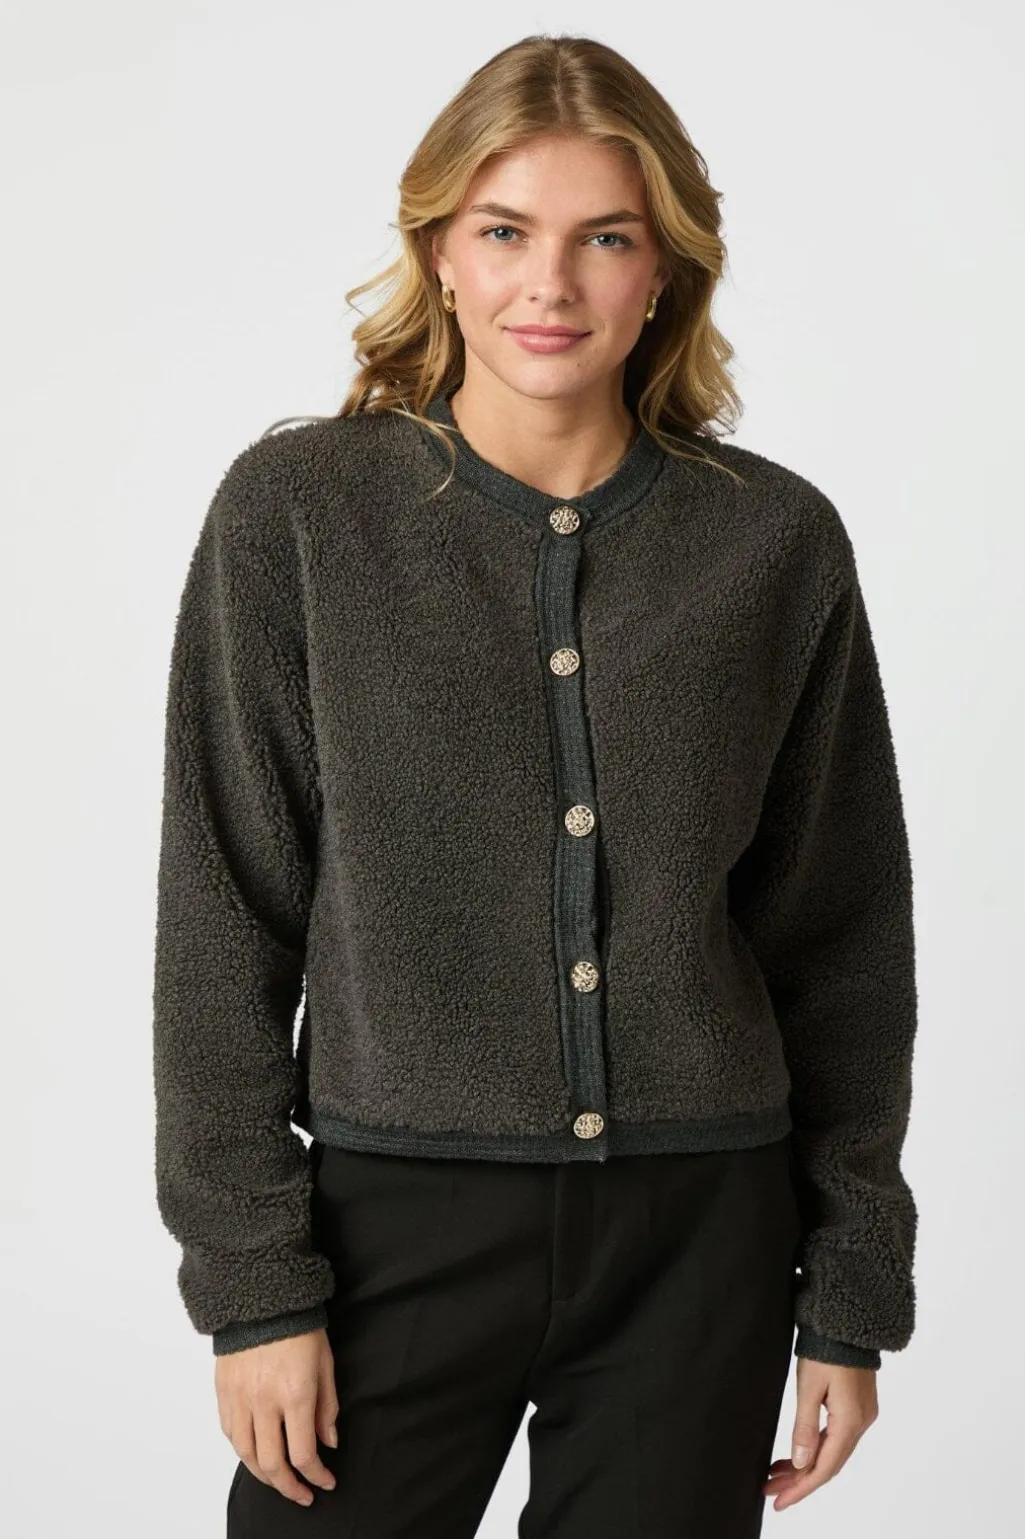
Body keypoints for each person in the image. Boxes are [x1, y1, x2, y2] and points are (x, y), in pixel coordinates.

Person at [151, 32, 919, 1539]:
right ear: (440, 252)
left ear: (664, 269)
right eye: (505, 232)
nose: (549, 284)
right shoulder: (300, 514)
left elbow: (841, 939)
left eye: (604, 238)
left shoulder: (774, 543)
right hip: (392, 1223)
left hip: (701, 1228)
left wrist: (850, 1288)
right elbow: (224, 919)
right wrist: (252, 1287)